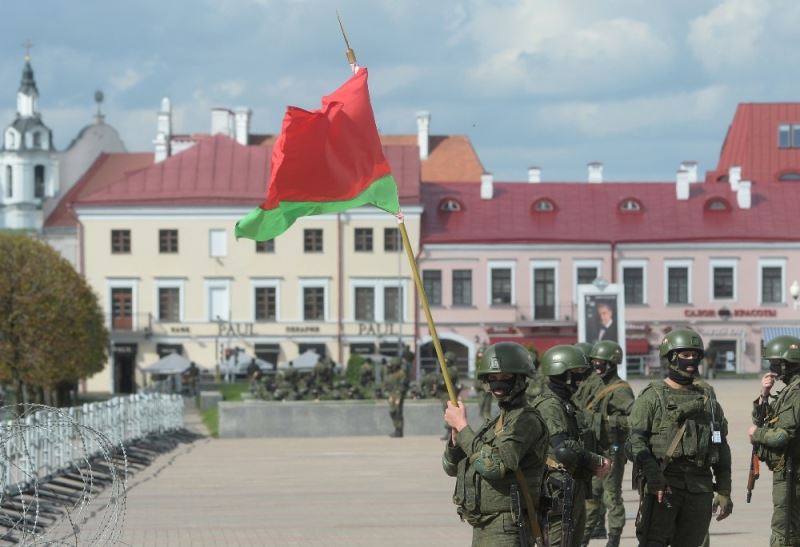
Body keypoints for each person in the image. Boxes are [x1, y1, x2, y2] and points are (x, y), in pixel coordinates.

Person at [628, 327, 732, 546]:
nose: (691, 360)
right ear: (671, 358)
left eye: (695, 355)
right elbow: (636, 442)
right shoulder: (652, 397)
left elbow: (720, 447)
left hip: (700, 491)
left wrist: (724, 490)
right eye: (685, 355)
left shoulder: (710, 403)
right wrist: (653, 475)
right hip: (663, 488)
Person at [443, 342, 549, 546]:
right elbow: (451, 467)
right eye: (493, 378)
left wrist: (463, 427)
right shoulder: (496, 423)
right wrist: (456, 441)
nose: (498, 384)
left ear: (521, 379)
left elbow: (495, 466)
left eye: (506, 378)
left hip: (507, 525)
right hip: (484, 523)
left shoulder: (525, 421)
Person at [532, 345, 611, 547]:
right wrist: (596, 461)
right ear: (561, 374)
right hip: (557, 490)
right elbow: (563, 450)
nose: (580, 378)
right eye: (575, 373)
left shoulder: (565, 403)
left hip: (571, 485)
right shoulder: (550, 405)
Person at [580, 341, 634, 547]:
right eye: (594, 362)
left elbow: (634, 419)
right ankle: (583, 539)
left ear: (612, 363)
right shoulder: (594, 384)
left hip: (612, 450)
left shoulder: (621, 390)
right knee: (592, 497)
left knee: (612, 497)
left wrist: (608, 421)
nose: (597, 366)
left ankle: (614, 538)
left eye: (601, 363)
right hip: (593, 449)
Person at [748, 335, 800, 547]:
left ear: (788, 363)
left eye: (775, 363)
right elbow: (765, 420)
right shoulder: (789, 390)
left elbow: (782, 435)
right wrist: (764, 395)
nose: (772, 368)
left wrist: (756, 434)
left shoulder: (796, 392)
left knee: (785, 532)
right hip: (786, 470)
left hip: (792, 472)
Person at [571, 342, 607, 542]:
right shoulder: (581, 381)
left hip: (593, 441)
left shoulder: (595, 383)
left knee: (593, 492)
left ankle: (590, 532)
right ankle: (597, 526)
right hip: (583, 440)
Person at [383, 356, 408, 438]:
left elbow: (402, 386)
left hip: (398, 395)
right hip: (392, 395)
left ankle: (399, 430)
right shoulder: (391, 373)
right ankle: (396, 428)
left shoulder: (401, 373)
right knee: (392, 412)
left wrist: (398, 397)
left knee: (398, 413)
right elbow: (387, 384)